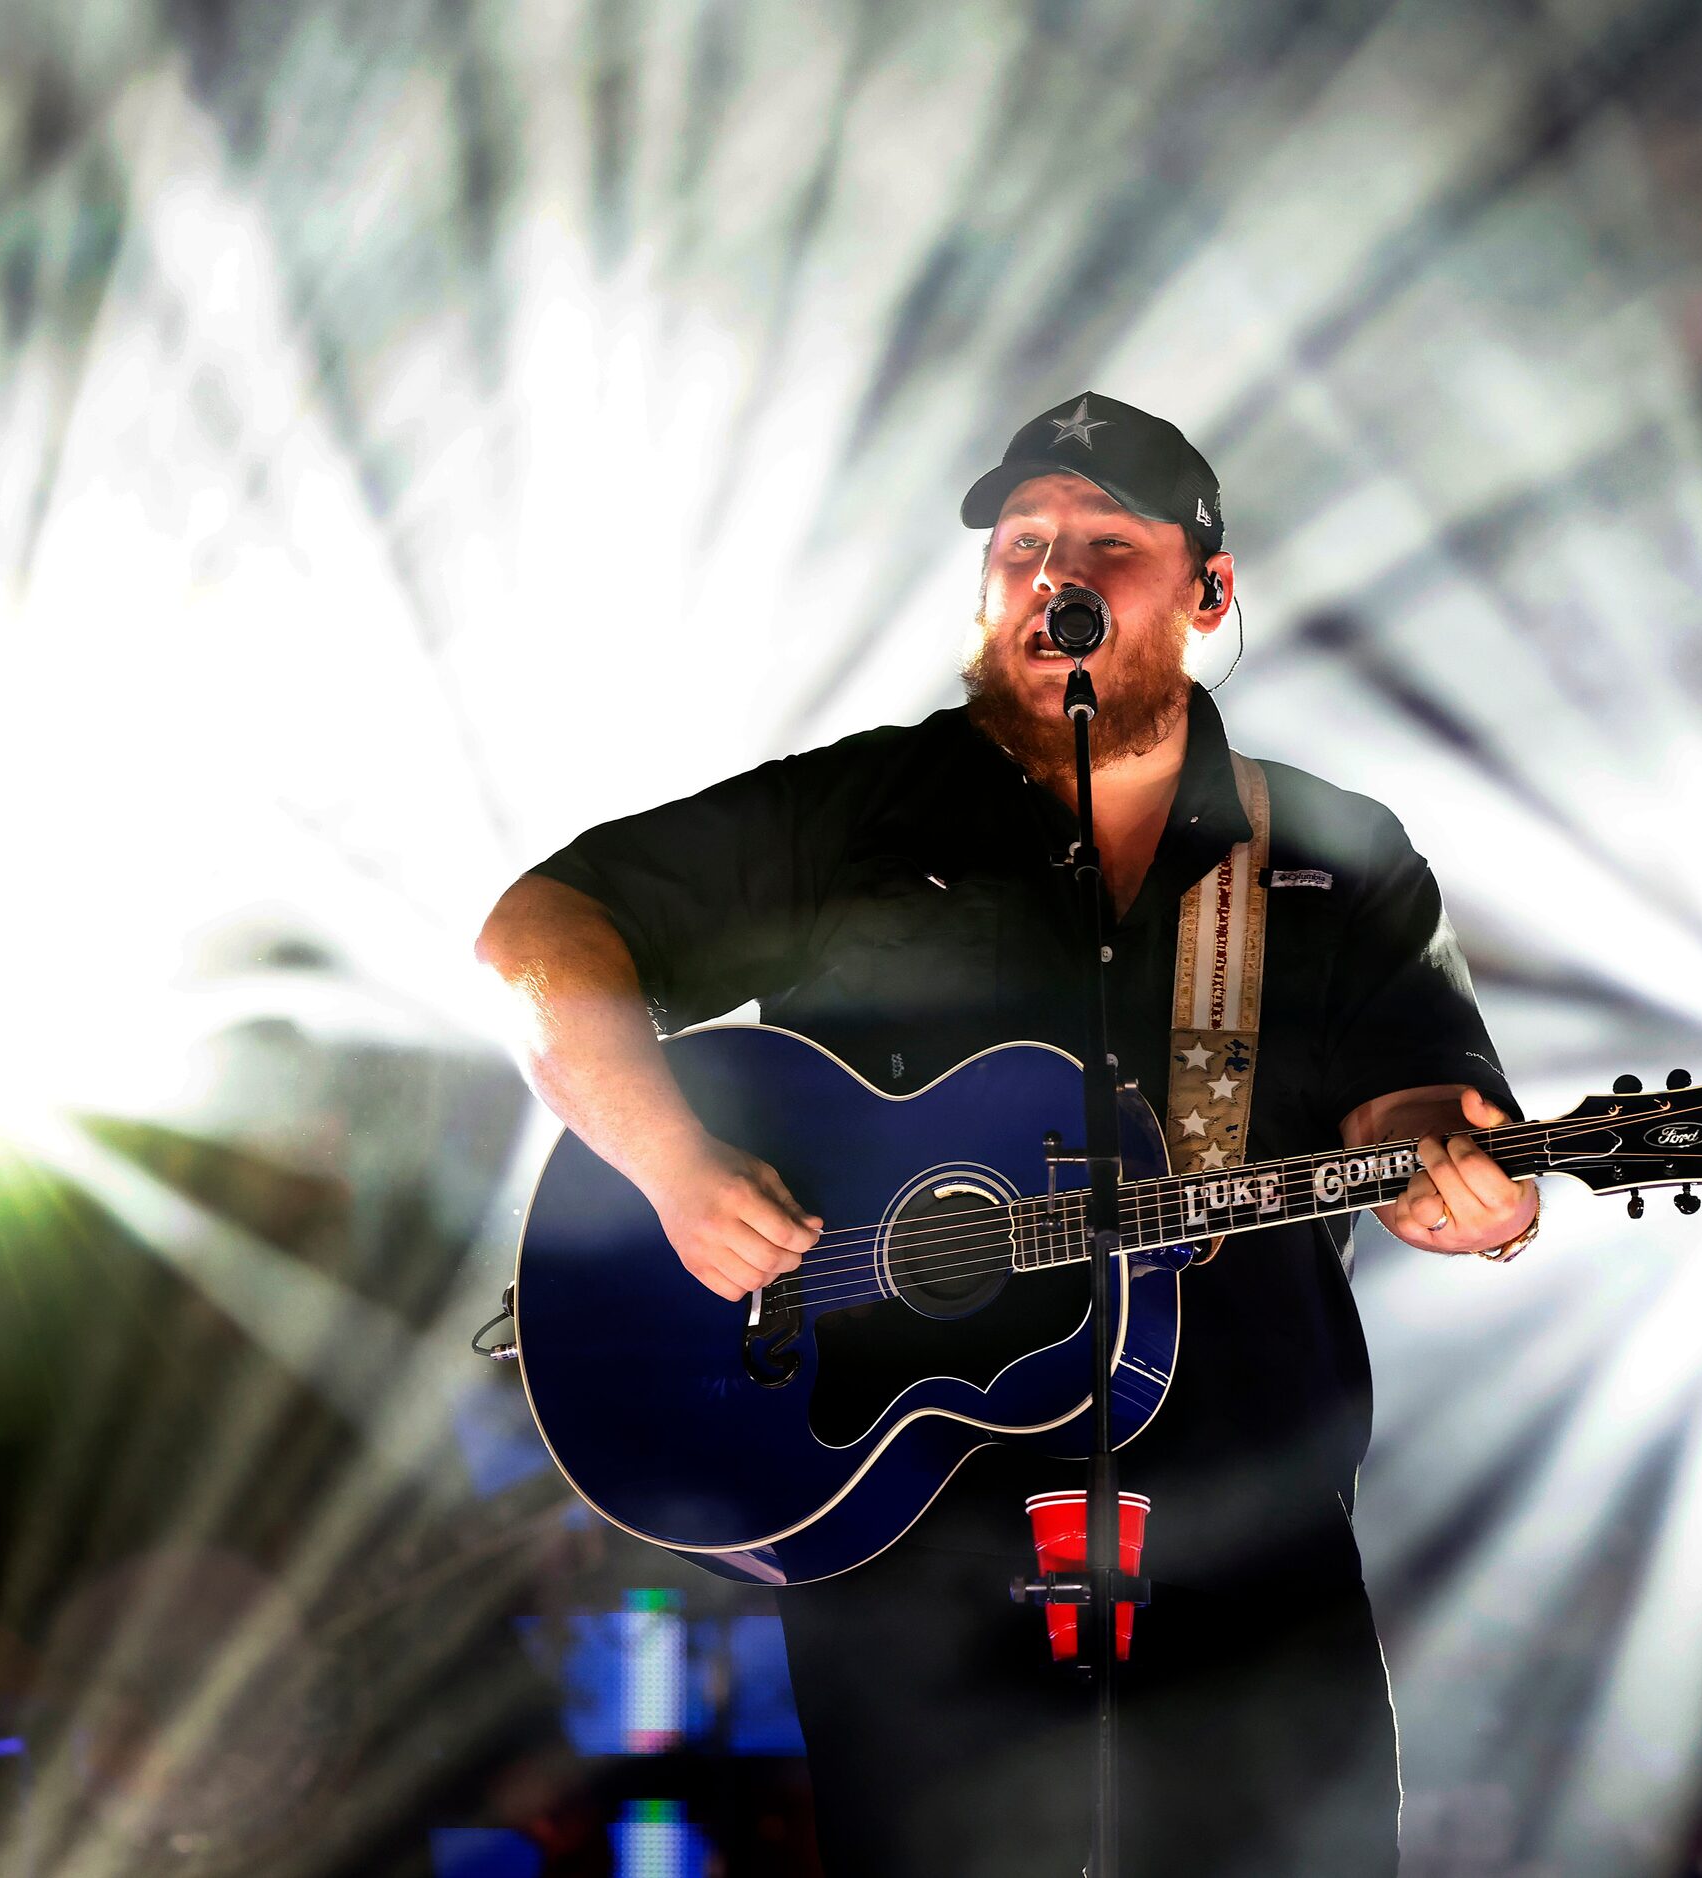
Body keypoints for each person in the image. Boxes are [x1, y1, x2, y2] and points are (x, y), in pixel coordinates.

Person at [475, 392, 1541, 1877]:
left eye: (1108, 542)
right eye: (1023, 542)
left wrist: (1454, 1174)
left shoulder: (1326, 851)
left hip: (1251, 1553)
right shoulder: (856, 812)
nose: (1057, 575)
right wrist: (673, 1159)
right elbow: (540, 932)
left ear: (1209, 592)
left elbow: (1419, 1094)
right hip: (913, 1556)